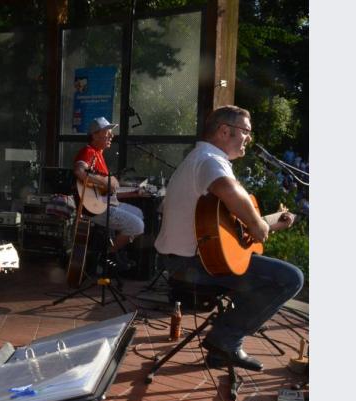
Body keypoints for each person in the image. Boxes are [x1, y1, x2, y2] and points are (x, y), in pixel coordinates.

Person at [154, 105, 303, 372]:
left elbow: (223, 226)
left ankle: (223, 347)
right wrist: (257, 223)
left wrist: (265, 223)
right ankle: (226, 338)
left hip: (187, 260)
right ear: (224, 131)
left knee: (262, 268)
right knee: (290, 278)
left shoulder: (200, 158)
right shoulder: (210, 159)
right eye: (246, 131)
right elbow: (229, 189)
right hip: (193, 266)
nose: (249, 138)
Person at [72, 117, 145, 271]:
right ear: (95, 135)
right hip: (94, 209)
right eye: (107, 133)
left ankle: (115, 252)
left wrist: (134, 192)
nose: (112, 136)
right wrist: (105, 181)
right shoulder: (88, 151)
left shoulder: (99, 154)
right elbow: (79, 170)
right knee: (137, 225)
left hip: (104, 203)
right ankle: (107, 255)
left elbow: (108, 193)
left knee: (138, 213)